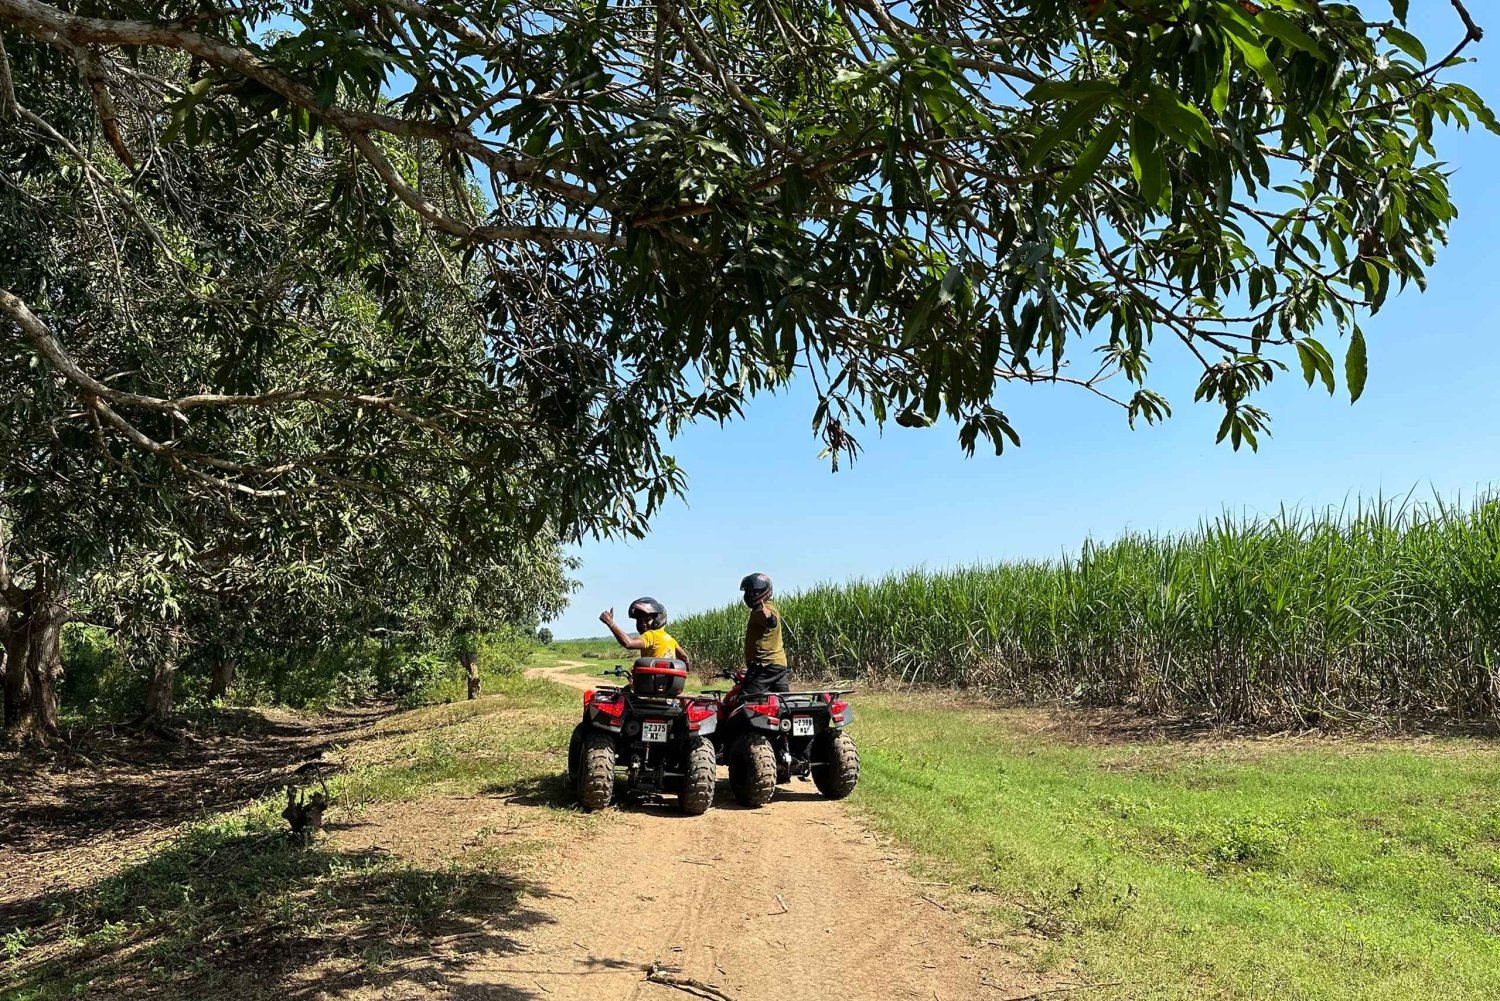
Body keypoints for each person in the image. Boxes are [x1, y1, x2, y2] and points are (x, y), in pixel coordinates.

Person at [738, 572, 789, 696]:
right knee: (783, 701)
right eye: (748, 592)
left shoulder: (764, 608)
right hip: (778, 665)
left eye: (754, 592)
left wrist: (770, 618)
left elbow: (771, 621)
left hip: (764, 666)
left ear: (763, 592)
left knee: (746, 700)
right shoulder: (768, 606)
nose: (750, 595)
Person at [600, 597, 691, 666]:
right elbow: (684, 657)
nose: (642, 624)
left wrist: (610, 623)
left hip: (650, 685)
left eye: (647, 620)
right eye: (640, 621)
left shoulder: (651, 635)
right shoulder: (670, 639)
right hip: (669, 686)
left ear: (658, 619)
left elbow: (628, 643)